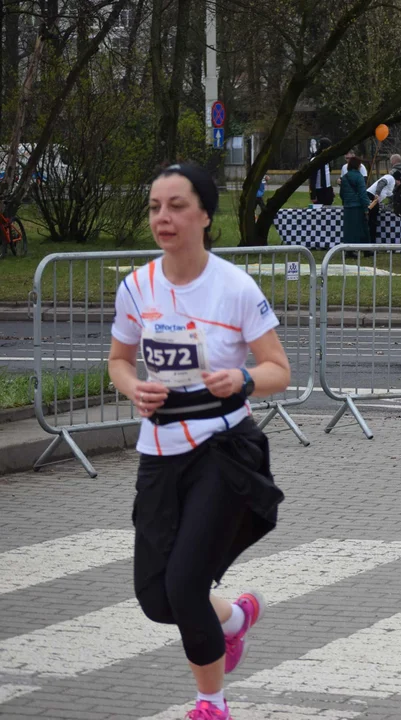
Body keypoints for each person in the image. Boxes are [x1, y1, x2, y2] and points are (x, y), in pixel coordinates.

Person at [108, 164, 291, 720]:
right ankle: (233, 619)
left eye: (177, 206)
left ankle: (210, 704)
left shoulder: (234, 287)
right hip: (158, 454)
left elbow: (279, 369)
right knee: (157, 598)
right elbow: (118, 360)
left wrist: (242, 380)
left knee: (185, 585)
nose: (163, 218)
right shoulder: (137, 287)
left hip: (221, 450)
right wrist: (133, 387)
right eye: (155, 207)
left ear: (205, 216)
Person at [366, 154, 401, 245]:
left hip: (375, 199)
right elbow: (381, 183)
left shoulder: (391, 185)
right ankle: (371, 244)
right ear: (398, 179)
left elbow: (391, 196)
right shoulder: (390, 178)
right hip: (371, 196)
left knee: (373, 221)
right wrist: (377, 194)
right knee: (372, 221)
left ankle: (371, 242)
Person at [340, 156, 369, 245]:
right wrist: (366, 206)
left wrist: (345, 201)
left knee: (349, 229)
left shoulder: (344, 177)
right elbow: (362, 193)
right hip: (357, 206)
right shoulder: (359, 177)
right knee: (360, 228)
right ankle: (364, 248)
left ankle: (348, 249)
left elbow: (342, 193)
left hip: (347, 206)